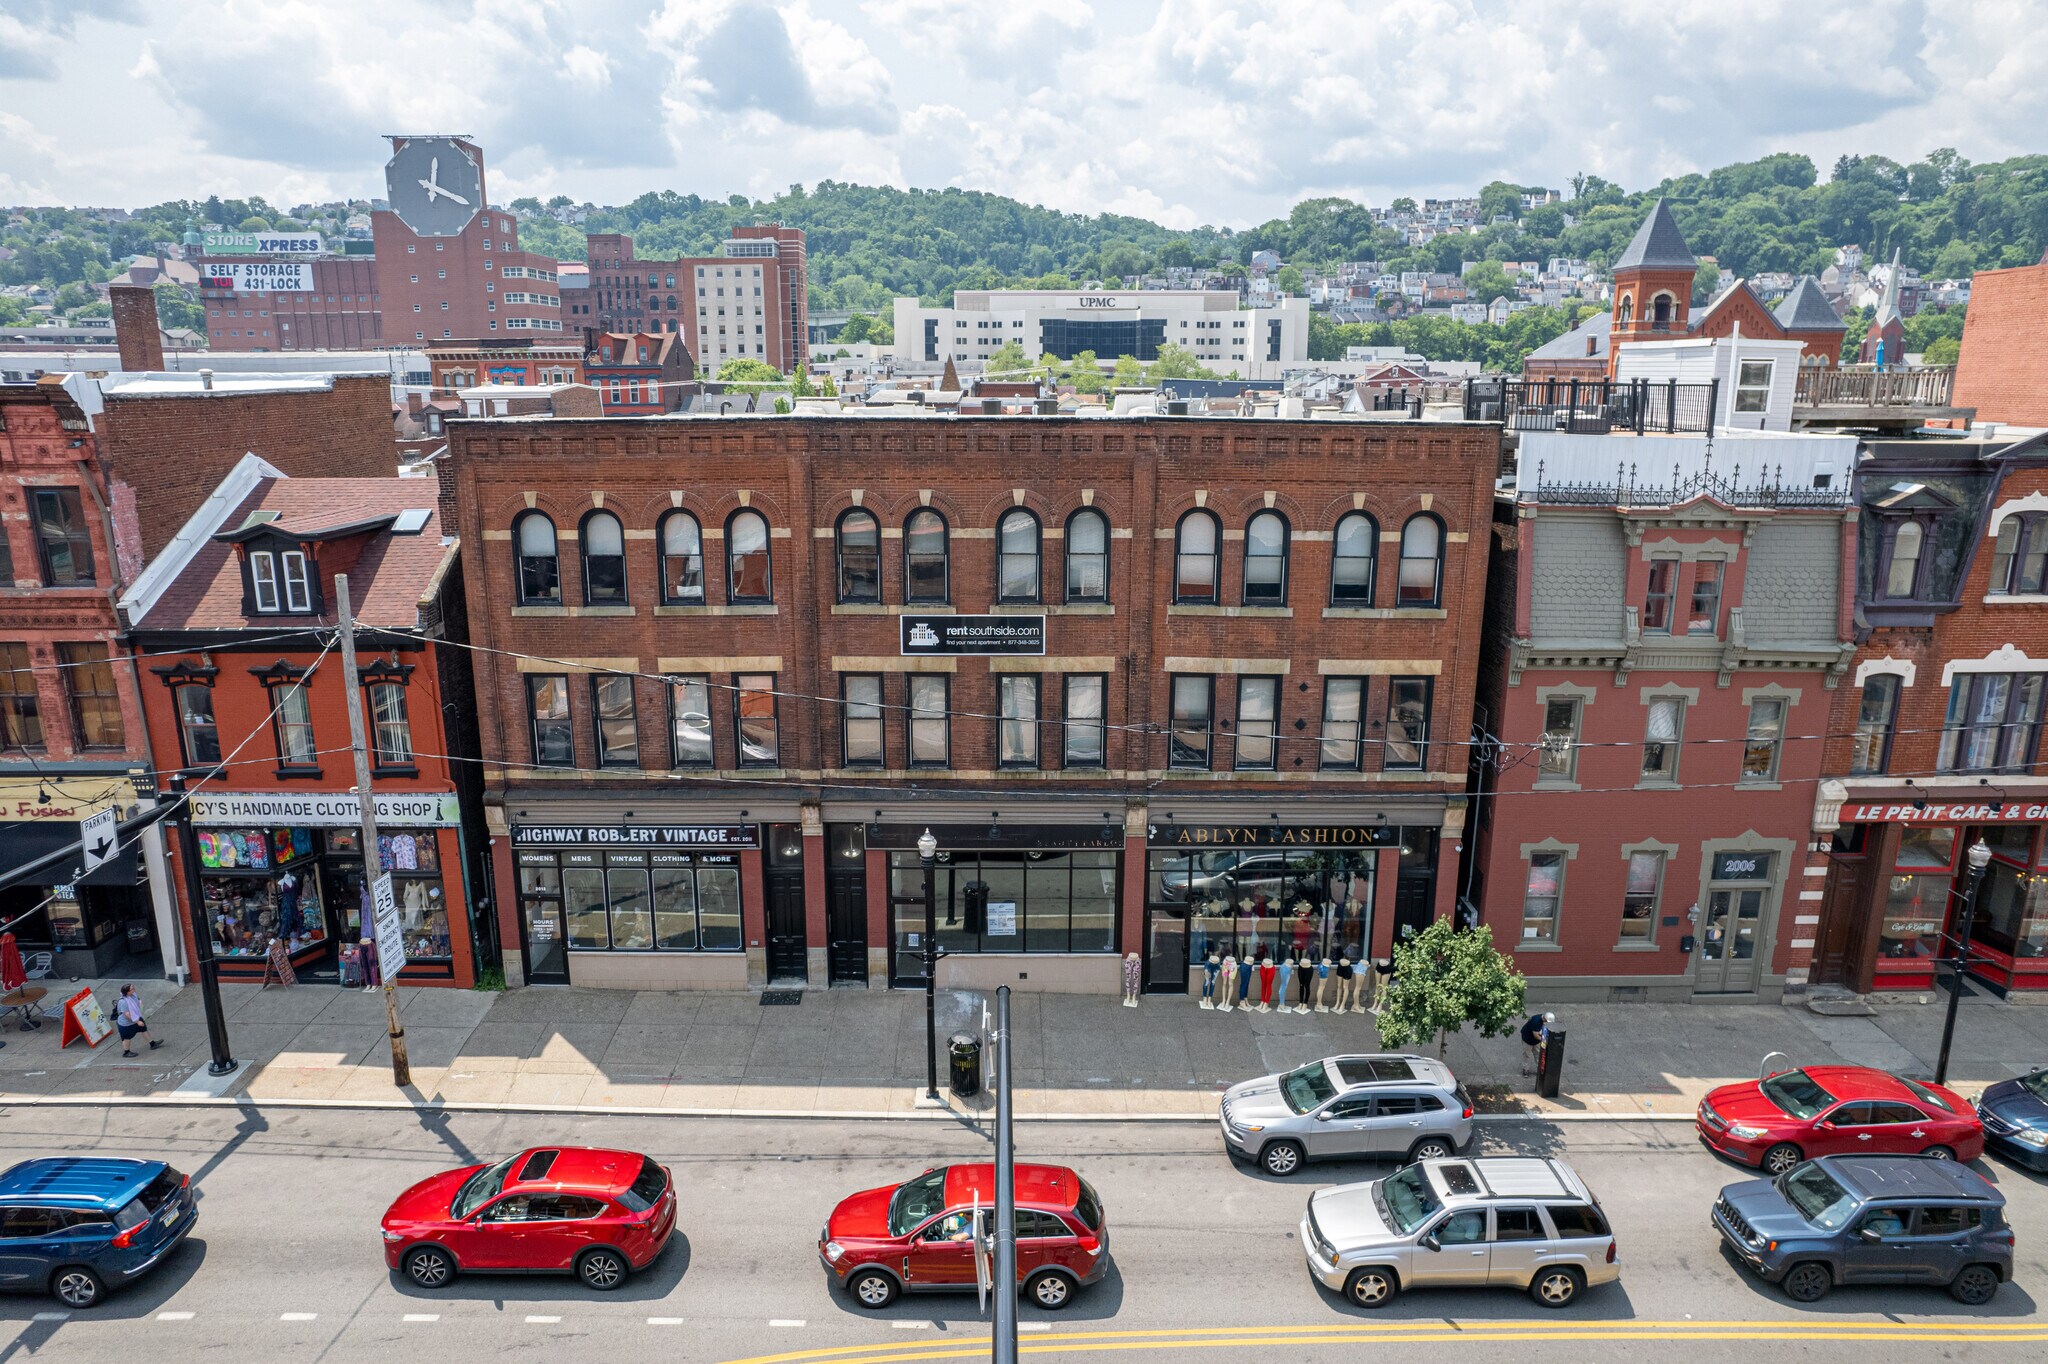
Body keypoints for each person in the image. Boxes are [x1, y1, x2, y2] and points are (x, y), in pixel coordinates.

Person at [114, 985, 161, 1058]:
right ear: (128, 992)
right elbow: (127, 1014)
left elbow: (137, 999)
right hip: (127, 1023)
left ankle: (152, 1044)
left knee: (144, 1029)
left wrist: (139, 1002)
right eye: (132, 989)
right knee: (127, 1038)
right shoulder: (123, 1002)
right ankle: (126, 1052)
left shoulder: (133, 995)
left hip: (136, 1017)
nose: (134, 989)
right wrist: (137, 1021)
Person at [1520, 1011, 1554, 1077]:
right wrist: (1545, 1042)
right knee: (1527, 1055)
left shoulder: (1544, 1020)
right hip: (1527, 1039)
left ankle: (1539, 1069)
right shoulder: (1536, 1021)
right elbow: (1536, 1036)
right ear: (1544, 1019)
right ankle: (1525, 1070)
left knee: (1538, 1054)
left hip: (1537, 1040)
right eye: (1547, 1021)